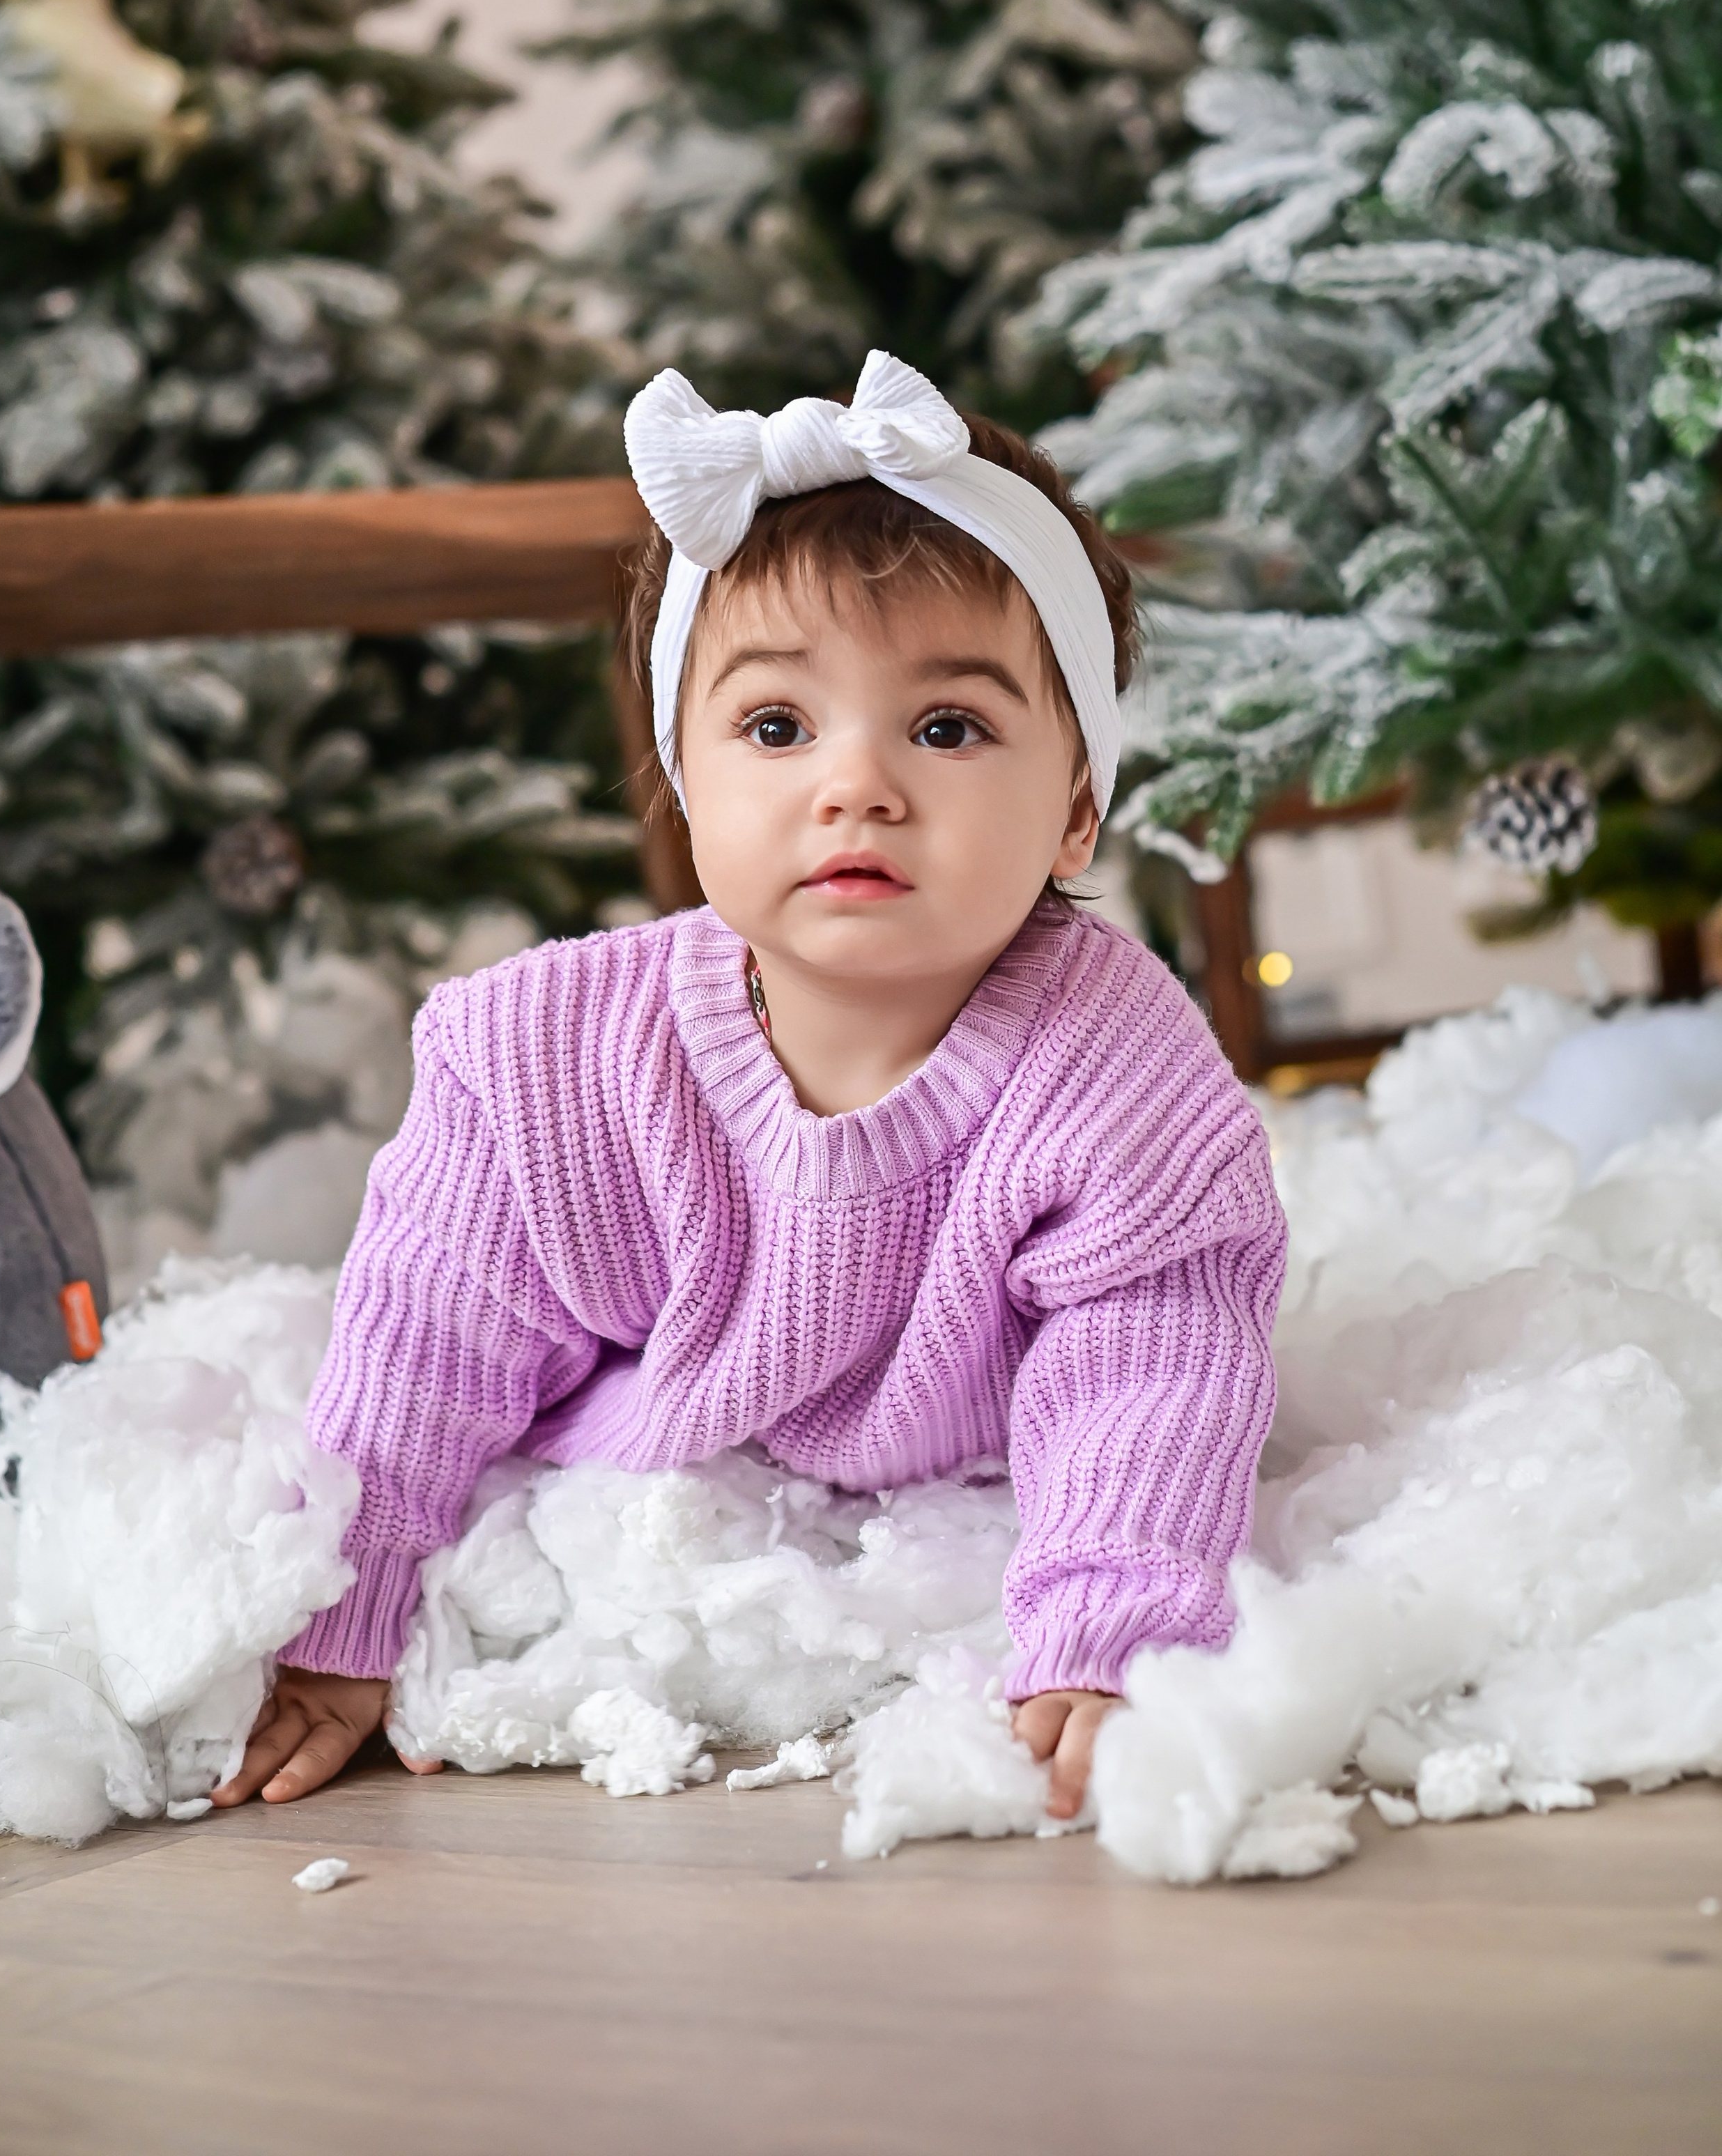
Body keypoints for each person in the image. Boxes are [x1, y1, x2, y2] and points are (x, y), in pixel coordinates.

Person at [213, 352, 1285, 1823]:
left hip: (956, 1477)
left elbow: (1148, 1366)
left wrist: (1112, 1630)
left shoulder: (1113, 1071)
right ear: (683, 779)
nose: (857, 786)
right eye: (777, 729)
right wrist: (339, 1621)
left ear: (1075, 810)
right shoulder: (546, 1058)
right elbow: (423, 1349)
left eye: (948, 727)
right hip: (652, 1456)